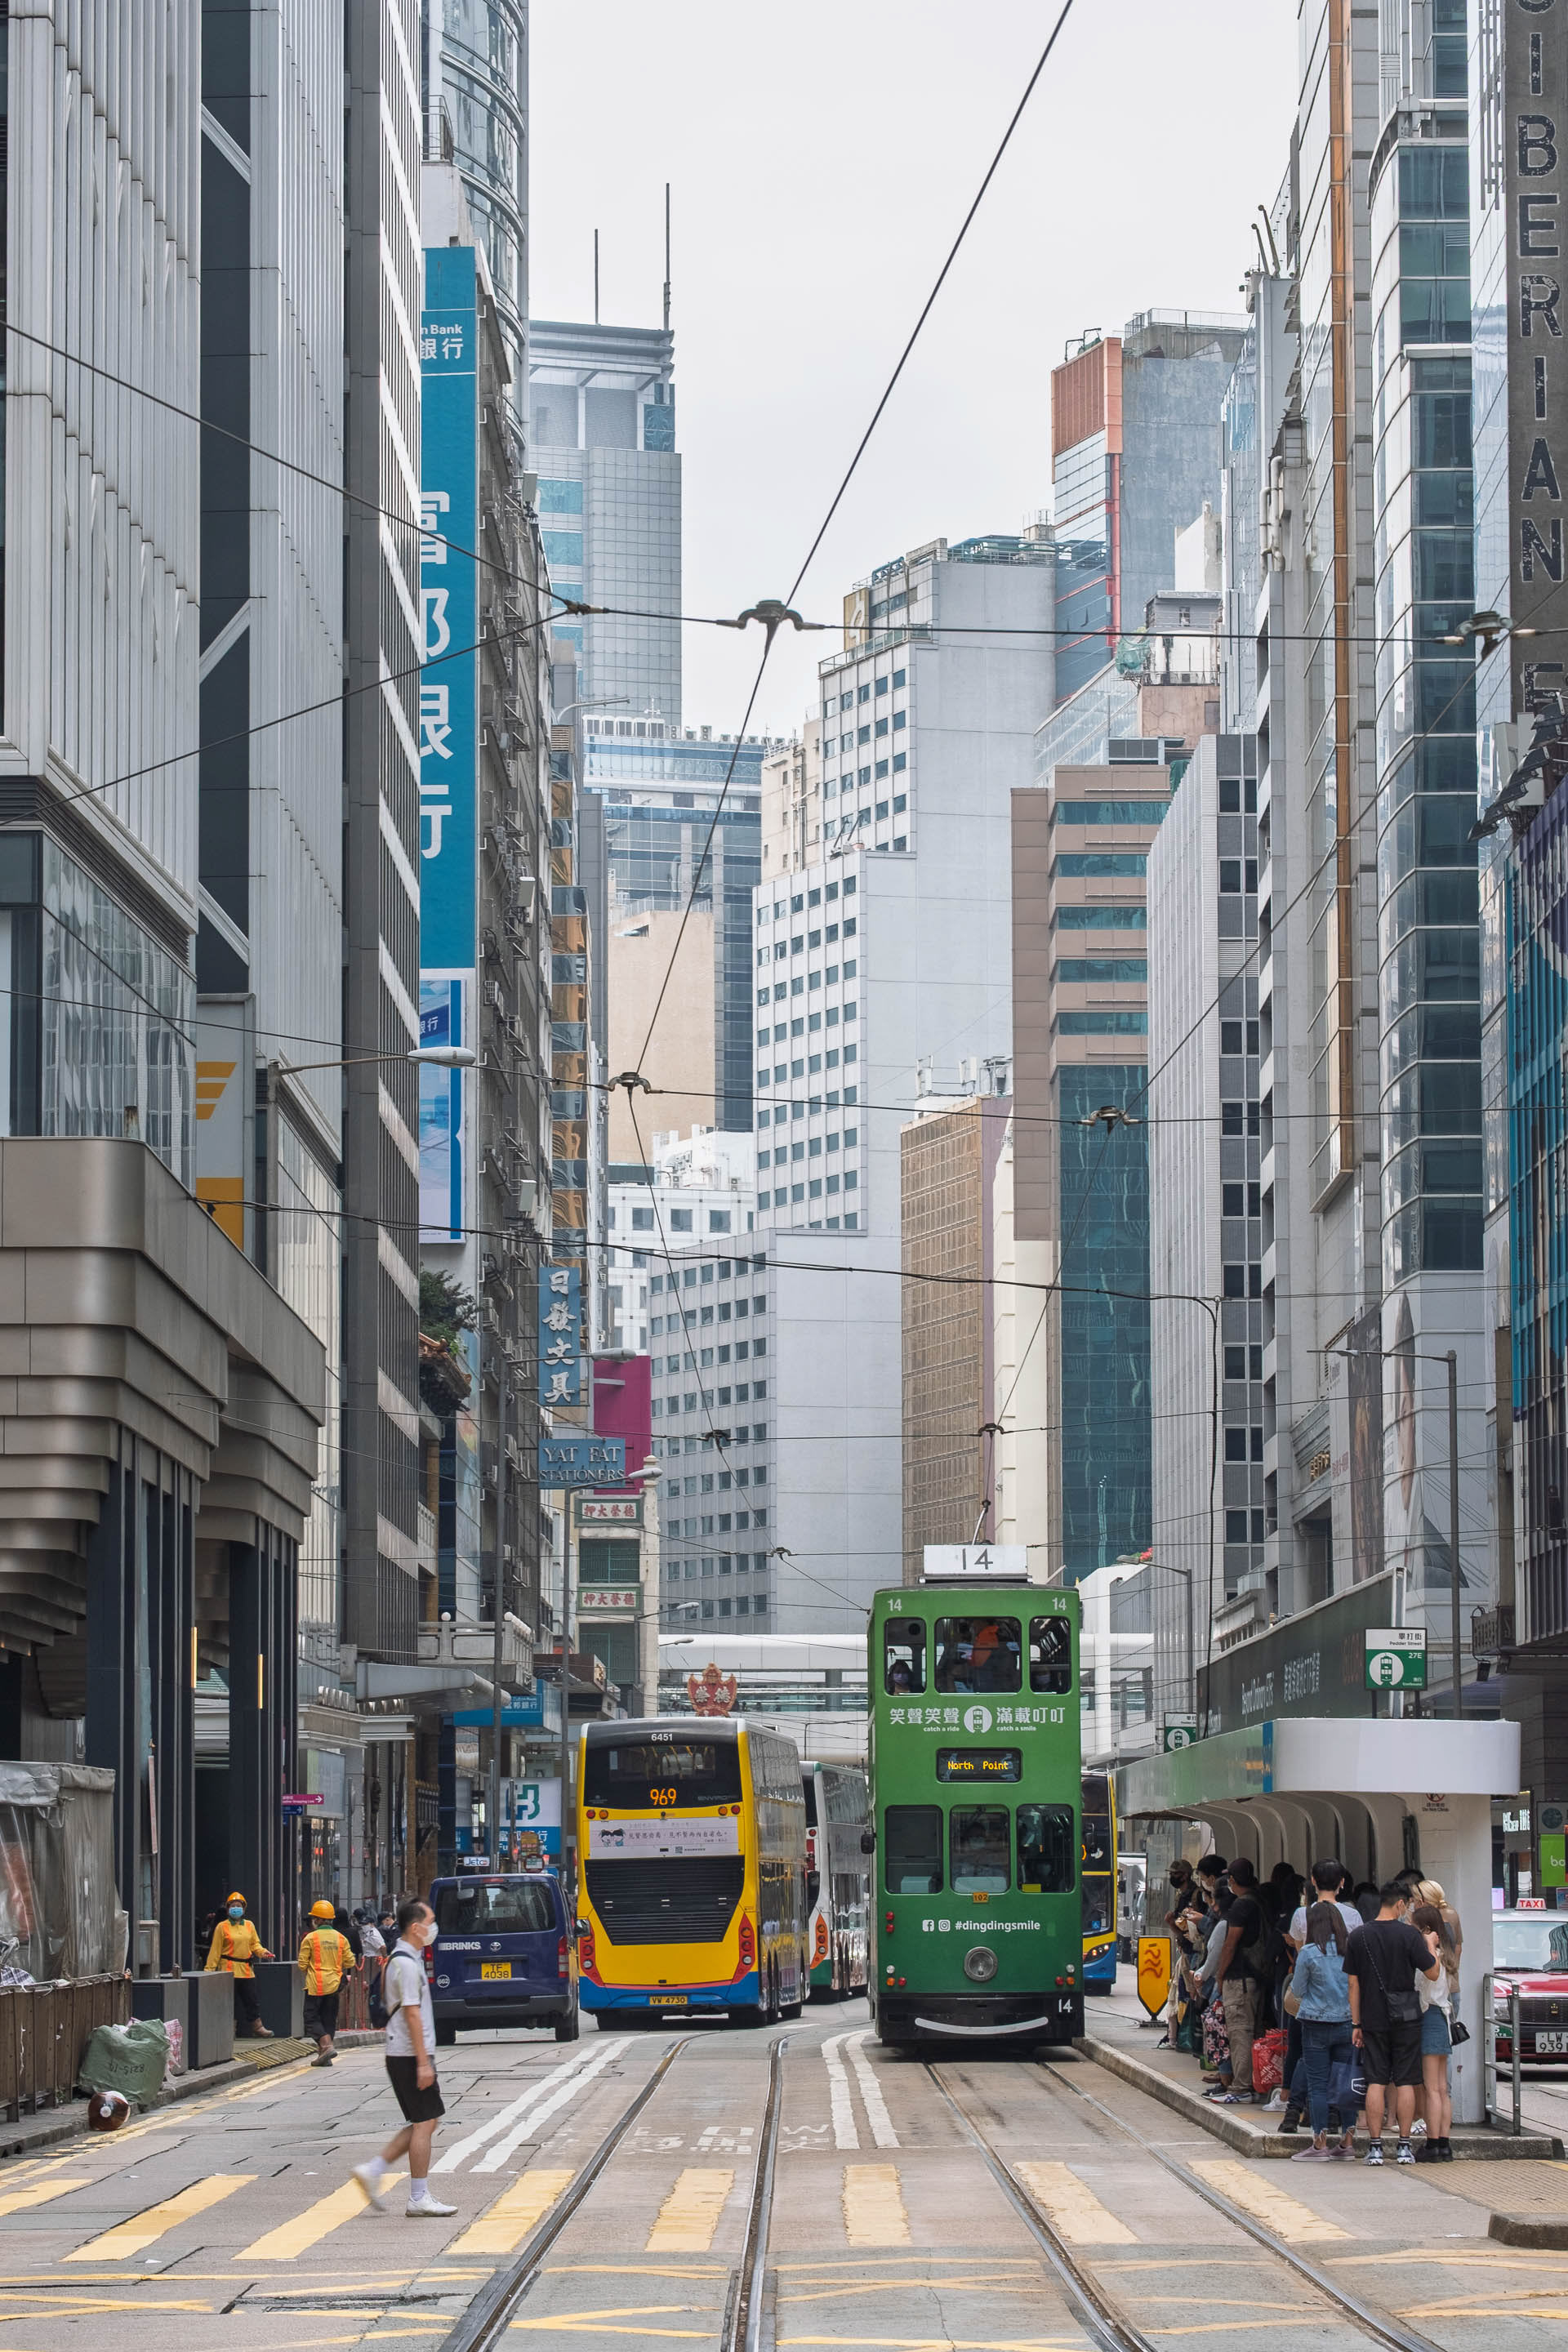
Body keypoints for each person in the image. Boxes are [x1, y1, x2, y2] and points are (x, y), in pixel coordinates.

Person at [352, 1896, 457, 2218]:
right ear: (416, 1927)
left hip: (405, 2053)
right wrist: (424, 2063)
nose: (433, 1928)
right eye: (430, 1922)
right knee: (426, 2123)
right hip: (409, 2055)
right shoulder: (407, 1965)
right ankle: (418, 2196)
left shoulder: (401, 1958)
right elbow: (412, 2015)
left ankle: (375, 2169)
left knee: (426, 2120)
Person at [1344, 1879, 1440, 2164]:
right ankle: (1404, 2147)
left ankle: (1374, 2148)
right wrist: (1430, 1944)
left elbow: (1353, 1984)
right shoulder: (1410, 1935)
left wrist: (1356, 2024)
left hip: (1372, 2019)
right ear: (1400, 1904)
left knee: (1375, 2080)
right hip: (1407, 2018)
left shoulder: (1358, 1936)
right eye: (1407, 1904)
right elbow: (1433, 1973)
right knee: (1406, 2081)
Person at [1287, 1901, 1357, 2162]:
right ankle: (1347, 2144)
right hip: (1348, 2023)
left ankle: (1320, 2145)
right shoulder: (1350, 1949)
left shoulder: (1308, 1952)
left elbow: (1298, 1990)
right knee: (1346, 2083)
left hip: (1315, 2023)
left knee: (1318, 2085)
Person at [1209, 1858, 1267, 2105]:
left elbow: (1230, 1944)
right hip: (1255, 1978)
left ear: (1232, 1880)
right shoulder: (1259, 1901)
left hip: (1239, 1979)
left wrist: (1220, 1975)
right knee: (1252, 2031)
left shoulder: (1241, 1907)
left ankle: (1241, 2087)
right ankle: (1252, 2084)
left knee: (1240, 2032)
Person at [1410, 1900, 1456, 2163]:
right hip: (1443, 2019)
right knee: (1442, 2088)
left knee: (1432, 2090)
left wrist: (1426, 1945)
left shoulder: (1431, 1958)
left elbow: (1423, 1986)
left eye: (1415, 1928)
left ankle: (1433, 2144)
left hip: (1430, 2019)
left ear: (1426, 1930)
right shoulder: (1446, 1954)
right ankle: (1445, 2145)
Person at [204, 1891, 274, 2038]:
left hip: (246, 1970)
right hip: (228, 1969)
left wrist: (263, 1953)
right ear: (228, 1909)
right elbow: (215, 1950)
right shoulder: (222, 1927)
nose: (236, 1908)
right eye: (233, 1906)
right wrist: (209, 1970)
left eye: (239, 1906)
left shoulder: (249, 1925)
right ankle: (231, 2030)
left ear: (243, 1909)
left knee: (252, 2000)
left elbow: (255, 1945)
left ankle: (258, 2027)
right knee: (231, 2002)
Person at [299, 1900, 359, 2066]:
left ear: (317, 1920)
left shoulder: (310, 1938)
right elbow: (349, 1961)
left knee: (311, 2019)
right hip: (334, 1985)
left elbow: (302, 1964)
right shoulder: (341, 1938)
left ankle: (326, 2045)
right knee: (328, 2019)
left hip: (315, 1985)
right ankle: (324, 2057)